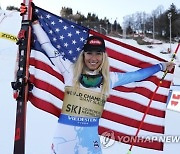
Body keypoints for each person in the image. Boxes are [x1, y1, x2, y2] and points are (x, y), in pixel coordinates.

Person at [20, 4, 175, 154]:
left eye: (98, 54)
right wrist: (34, 23)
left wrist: (160, 66)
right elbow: (48, 47)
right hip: (64, 140)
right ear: (83, 55)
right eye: (89, 53)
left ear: (103, 57)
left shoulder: (110, 79)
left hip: (89, 142)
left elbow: (137, 75)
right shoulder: (70, 71)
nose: (93, 58)